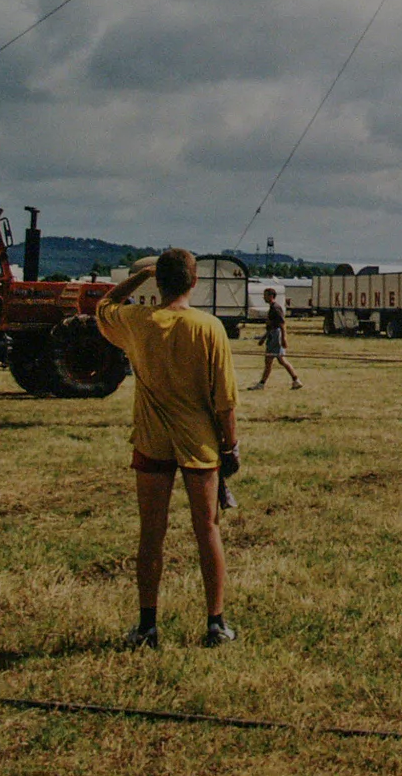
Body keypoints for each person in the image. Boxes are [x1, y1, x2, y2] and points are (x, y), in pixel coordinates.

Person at [97, 249, 240, 650]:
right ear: (195, 282)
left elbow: (103, 305)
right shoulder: (210, 327)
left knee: (152, 533)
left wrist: (139, 276)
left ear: (157, 282)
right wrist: (230, 446)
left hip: (151, 440)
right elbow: (225, 402)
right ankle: (216, 623)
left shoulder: (138, 321)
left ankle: (147, 626)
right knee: (207, 529)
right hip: (200, 443)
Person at [249, 288, 302, 390]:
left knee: (275, 360)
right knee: (275, 360)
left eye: (265, 295)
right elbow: (271, 326)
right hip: (272, 334)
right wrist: (263, 338)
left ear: (271, 296)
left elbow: (282, 324)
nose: (263, 297)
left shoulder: (276, 308)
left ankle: (295, 380)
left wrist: (284, 339)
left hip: (276, 336)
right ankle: (295, 380)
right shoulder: (272, 308)